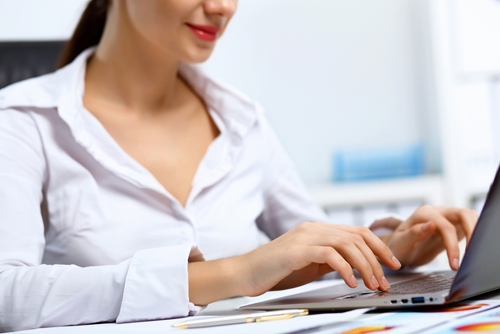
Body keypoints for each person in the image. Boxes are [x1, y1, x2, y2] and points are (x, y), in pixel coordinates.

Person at [0, 0, 478, 332]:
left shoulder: (242, 119)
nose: (224, 8)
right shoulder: (24, 121)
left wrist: (392, 248)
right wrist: (236, 273)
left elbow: (312, 250)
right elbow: (8, 295)